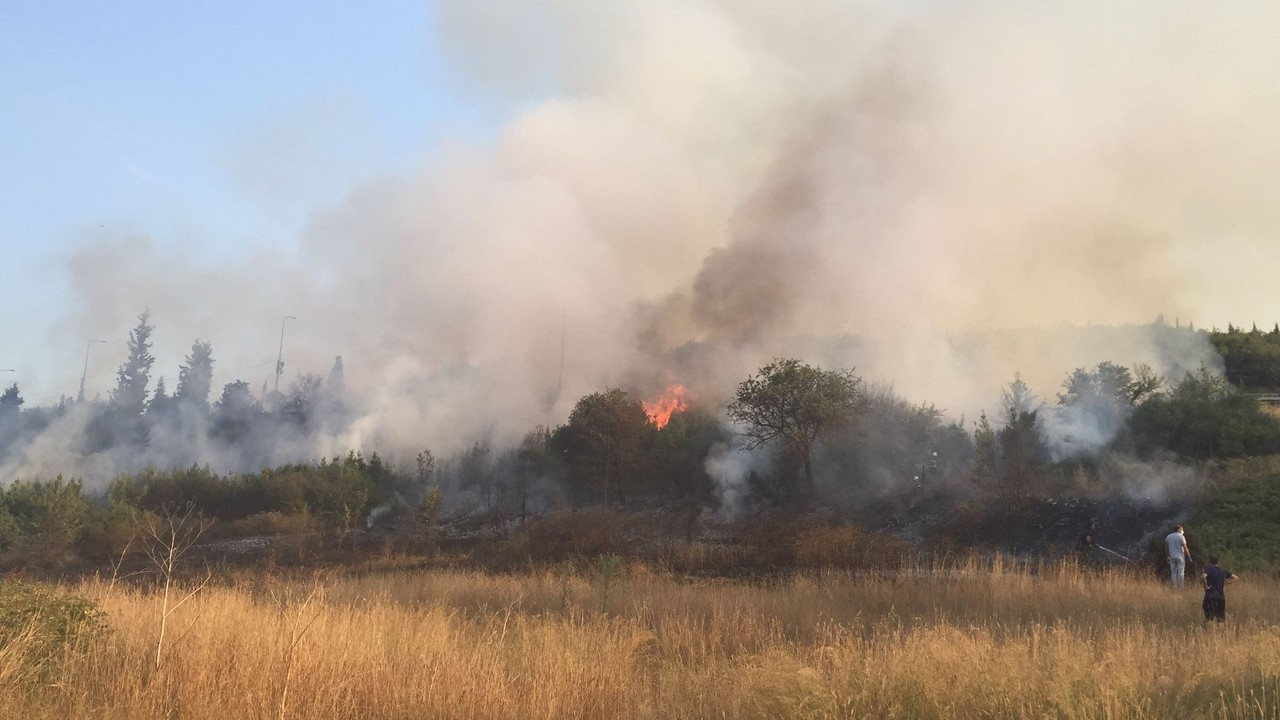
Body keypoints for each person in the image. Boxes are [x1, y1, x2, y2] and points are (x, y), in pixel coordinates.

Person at [1202, 556, 1239, 622]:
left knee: (1209, 618)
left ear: (1210, 561)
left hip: (1210, 596)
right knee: (1220, 618)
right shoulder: (1223, 570)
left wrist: (1206, 587)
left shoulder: (1209, 568)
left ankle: (1209, 630)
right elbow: (1236, 578)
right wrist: (1224, 583)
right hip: (1221, 597)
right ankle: (1220, 631)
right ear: (1218, 562)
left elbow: (1203, 577)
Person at [1166, 525, 1191, 589]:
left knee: (1173, 573)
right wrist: (1189, 556)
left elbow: (1166, 548)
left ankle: (1174, 587)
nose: (1182, 530)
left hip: (1172, 557)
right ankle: (1180, 588)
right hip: (1180, 557)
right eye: (1181, 529)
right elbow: (1185, 548)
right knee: (1181, 573)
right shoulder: (1181, 536)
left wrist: (1167, 556)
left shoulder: (1168, 537)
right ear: (1178, 529)